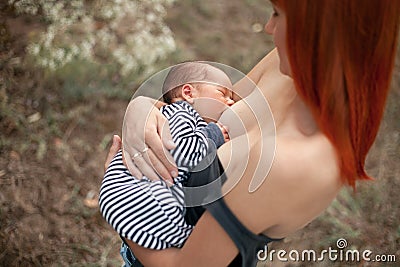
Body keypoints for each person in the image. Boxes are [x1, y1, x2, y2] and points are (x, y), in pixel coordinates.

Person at [103, 0, 400, 266]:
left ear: (321, 30)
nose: (269, 27)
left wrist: (120, 207)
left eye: (277, 14)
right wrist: (143, 107)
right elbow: (201, 110)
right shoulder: (283, 66)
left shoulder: (296, 162)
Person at [99, 62, 235, 265]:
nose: (230, 101)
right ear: (188, 93)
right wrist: (213, 135)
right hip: (139, 197)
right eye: (222, 93)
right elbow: (183, 153)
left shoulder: (183, 119)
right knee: (188, 233)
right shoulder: (181, 115)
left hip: (129, 200)